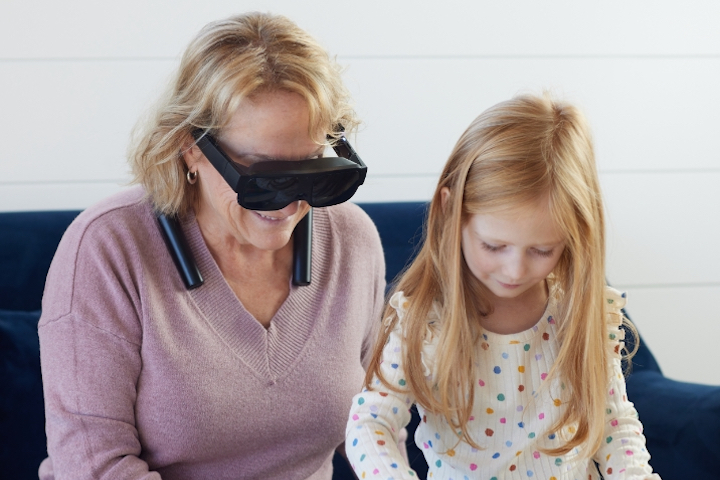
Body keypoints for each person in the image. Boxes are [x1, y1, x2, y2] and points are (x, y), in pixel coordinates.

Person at [38, 12, 386, 480]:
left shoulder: (351, 239)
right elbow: (94, 466)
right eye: (262, 176)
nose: (289, 202)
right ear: (191, 148)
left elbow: (372, 425)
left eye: (311, 169)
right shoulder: (107, 248)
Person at [346, 93, 662, 479]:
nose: (514, 270)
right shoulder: (425, 321)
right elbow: (370, 423)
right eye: (494, 246)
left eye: (542, 250)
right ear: (451, 211)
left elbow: (615, 427)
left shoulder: (578, 313)